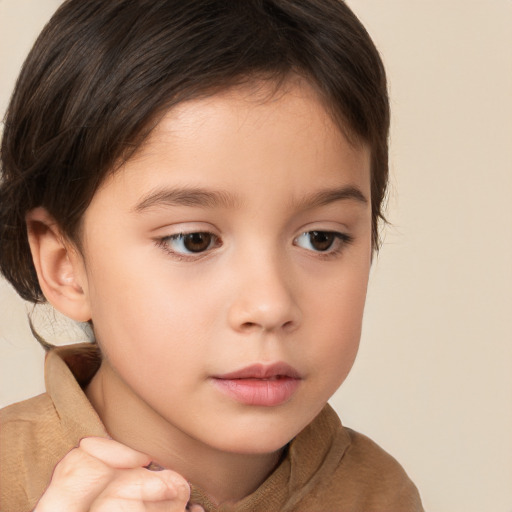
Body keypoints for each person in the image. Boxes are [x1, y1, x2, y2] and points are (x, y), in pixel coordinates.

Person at [0, 0, 424, 510]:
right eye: (194, 240)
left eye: (321, 238)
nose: (269, 306)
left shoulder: (377, 493)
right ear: (64, 265)